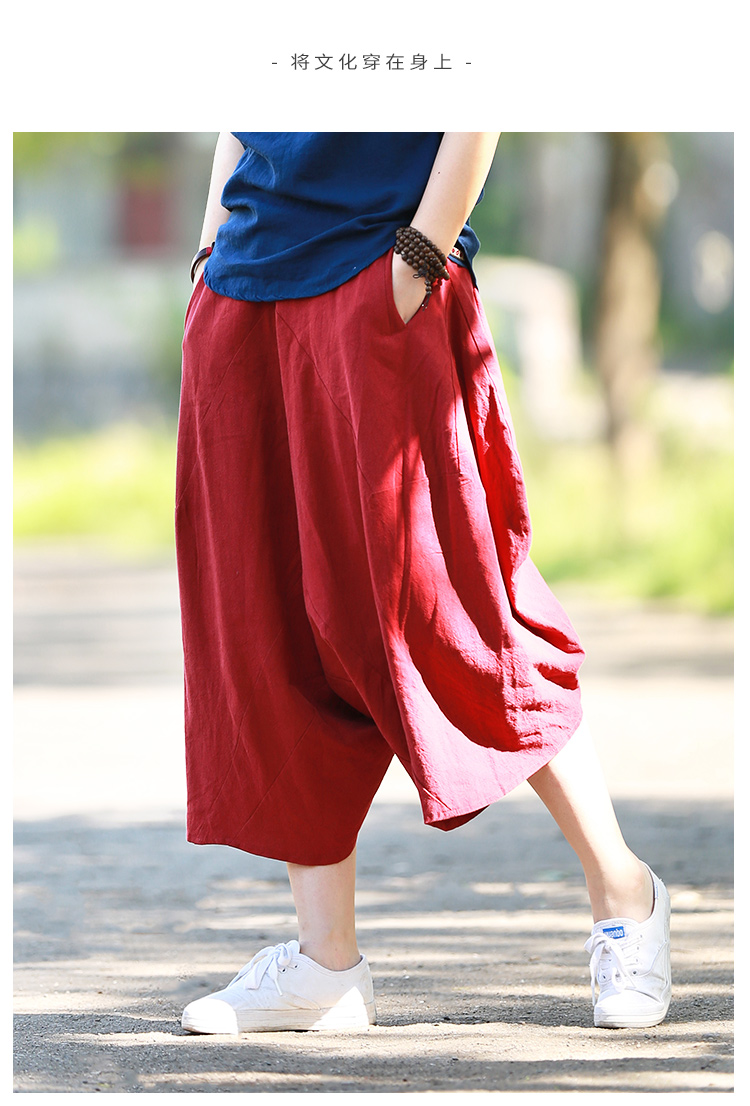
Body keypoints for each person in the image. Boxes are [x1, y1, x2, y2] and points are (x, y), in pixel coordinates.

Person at [175, 132, 671, 1035]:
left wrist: (418, 257)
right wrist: (209, 258)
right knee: (270, 631)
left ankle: (624, 894)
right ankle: (325, 966)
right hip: (244, 294)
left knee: (461, 619)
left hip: (381, 281)